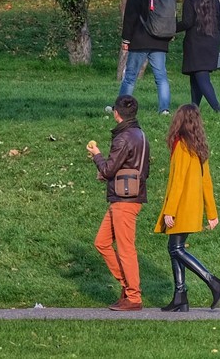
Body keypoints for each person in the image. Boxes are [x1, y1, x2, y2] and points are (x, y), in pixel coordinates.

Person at [154, 104, 220, 311]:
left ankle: (213, 282)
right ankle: (180, 296)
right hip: (193, 206)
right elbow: (207, 182)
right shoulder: (199, 146)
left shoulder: (181, 145)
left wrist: (170, 210)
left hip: (181, 207)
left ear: (179, 121)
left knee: (176, 248)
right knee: (174, 248)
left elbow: (177, 181)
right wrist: (212, 213)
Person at [88, 94, 151, 312]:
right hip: (131, 196)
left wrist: (96, 156)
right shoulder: (140, 135)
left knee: (125, 249)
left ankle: (133, 297)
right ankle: (127, 287)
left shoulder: (123, 138)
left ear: (116, 113)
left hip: (124, 200)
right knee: (101, 242)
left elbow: (108, 169)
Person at [119, 0, 175, 115]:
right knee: (161, 77)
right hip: (160, 40)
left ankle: (121, 108)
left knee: (130, 76)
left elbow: (131, 15)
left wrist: (126, 39)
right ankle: (164, 109)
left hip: (140, 39)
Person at [179, 0, 220, 113]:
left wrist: (171, 27)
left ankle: (218, 108)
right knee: (196, 75)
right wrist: (218, 39)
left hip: (195, 42)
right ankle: (194, 107)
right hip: (212, 41)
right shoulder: (216, 1)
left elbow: (187, 22)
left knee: (201, 77)